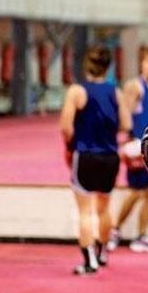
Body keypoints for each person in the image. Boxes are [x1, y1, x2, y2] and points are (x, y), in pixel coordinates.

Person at [59, 45, 131, 275]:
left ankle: (89, 260)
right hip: (110, 156)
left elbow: (66, 127)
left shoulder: (77, 92)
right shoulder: (115, 92)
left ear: (85, 65)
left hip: (86, 153)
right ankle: (101, 254)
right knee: (103, 208)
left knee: (84, 211)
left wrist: (70, 147)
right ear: (108, 67)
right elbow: (126, 125)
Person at [108, 45, 148, 253]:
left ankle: (142, 235)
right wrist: (125, 142)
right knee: (136, 192)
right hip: (137, 145)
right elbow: (124, 115)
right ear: (142, 64)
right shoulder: (134, 87)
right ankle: (114, 230)